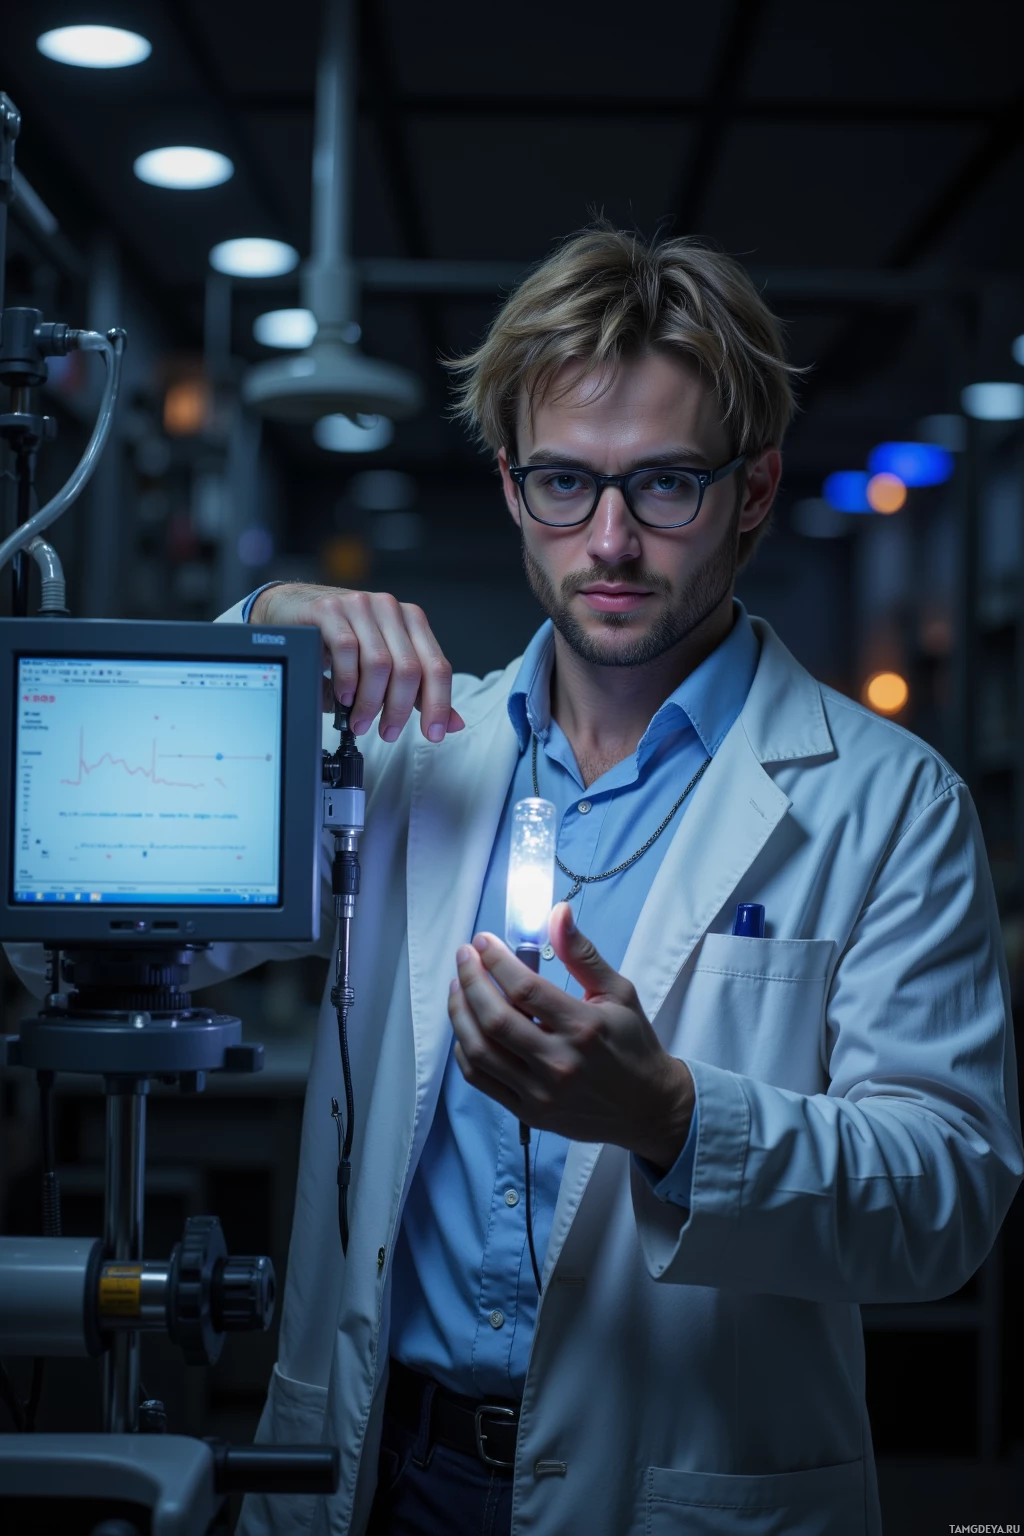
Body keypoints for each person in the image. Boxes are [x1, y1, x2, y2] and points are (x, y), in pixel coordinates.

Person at [220, 227, 1021, 1536]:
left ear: (754, 491)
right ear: (509, 485)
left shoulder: (890, 801)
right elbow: (73, 931)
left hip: (677, 1490)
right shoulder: (401, 759)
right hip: (380, 1468)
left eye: (664, 486)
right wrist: (251, 654)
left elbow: (944, 1194)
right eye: (563, 484)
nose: (607, 543)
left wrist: (674, 1121)